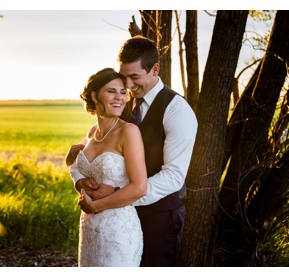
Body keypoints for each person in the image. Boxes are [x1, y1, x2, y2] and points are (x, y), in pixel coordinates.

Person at [67, 36, 198, 266]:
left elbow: (174, 177)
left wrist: (119, 194)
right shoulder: (126, 104)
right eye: (124, 77)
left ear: (155, 69)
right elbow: (89, 151)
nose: (127, 86)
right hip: (118, 217)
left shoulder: (177, 110)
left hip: (160, 216)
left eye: (134, 77)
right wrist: (79, 177)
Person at [69, 68, 147, 266]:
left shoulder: (128, 132)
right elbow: (74, 164)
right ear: (95, 96)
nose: (119, 98)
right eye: (112, 91)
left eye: (123, 92)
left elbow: (139, 188)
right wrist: (79, 182)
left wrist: (94, 206)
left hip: (118, 230)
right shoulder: (92, 132)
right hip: (90, 228)